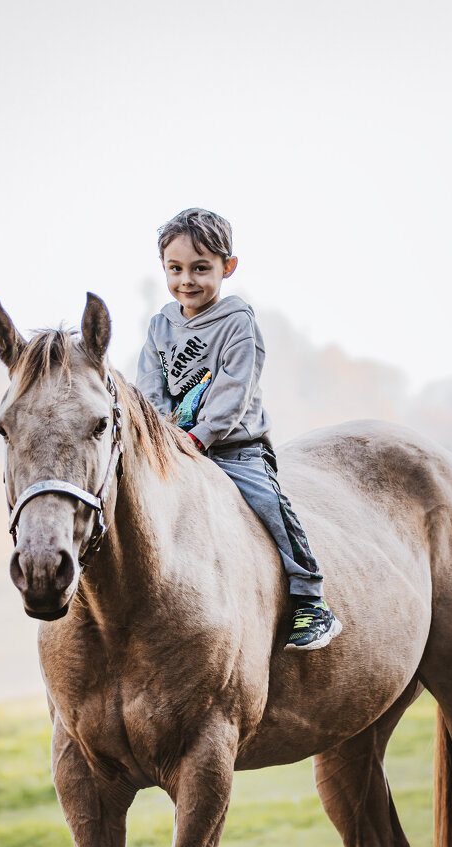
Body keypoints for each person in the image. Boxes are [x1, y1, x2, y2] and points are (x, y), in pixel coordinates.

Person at [136, 207, 342, 651]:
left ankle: (311, 600)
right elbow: (150, 388)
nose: (186, 280)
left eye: (201, 268)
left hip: (233, 449)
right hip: (174, 448)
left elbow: (234, 393)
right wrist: (161, 438)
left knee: (270, 505)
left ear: (227, 268)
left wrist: (199, 436)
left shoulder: (238, 324)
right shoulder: (159, 327)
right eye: (175, 269)